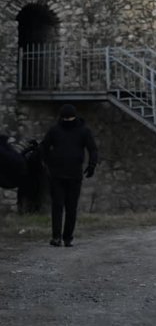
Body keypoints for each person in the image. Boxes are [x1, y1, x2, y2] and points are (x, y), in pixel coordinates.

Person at [40, 104, 98, 247]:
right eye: (65, 118)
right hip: (57, 175)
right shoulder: (55, 130)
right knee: (58, 206)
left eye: (69, 118)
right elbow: (44, 147)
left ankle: (67, 238)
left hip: (74, 174)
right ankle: (56, 237)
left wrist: (92, 165)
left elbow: (92, 149)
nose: (67, 121)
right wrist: (48, 164)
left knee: (71, 208)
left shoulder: (83, 131)